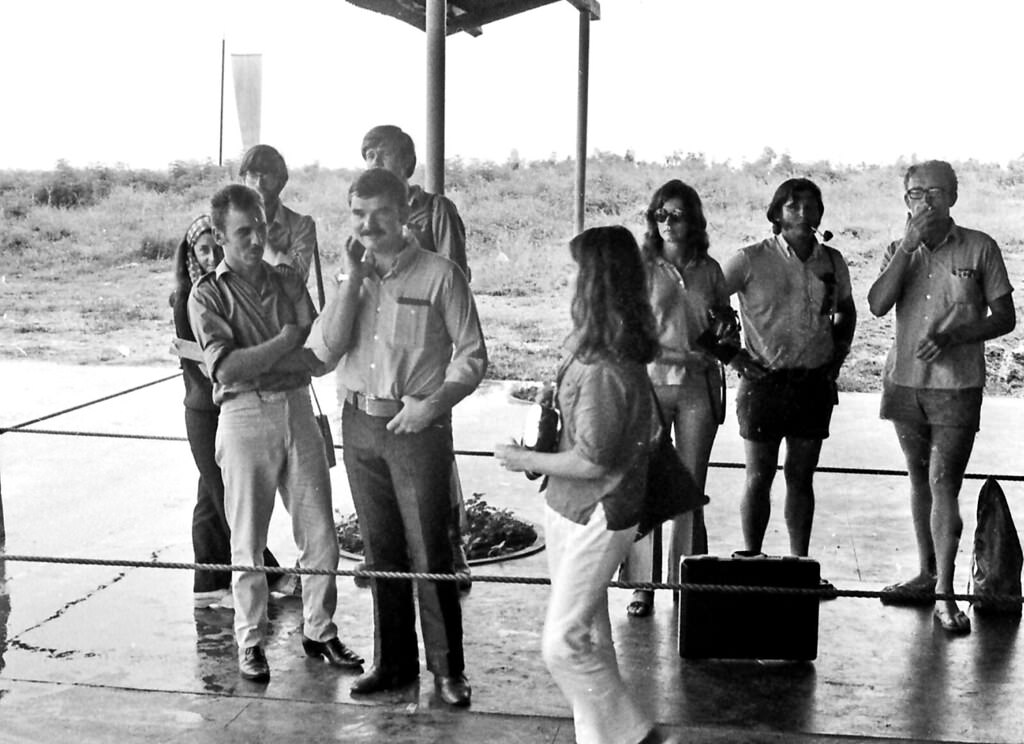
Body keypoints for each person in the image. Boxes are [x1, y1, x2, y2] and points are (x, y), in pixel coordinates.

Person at [307, 168, 487, 706]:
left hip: (417, 427)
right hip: (359, 423)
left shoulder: (440, 275)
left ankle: (447, 672)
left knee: (429, 550)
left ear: (406, 212)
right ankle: (393, 664)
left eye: (380, 213)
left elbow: (473, 355)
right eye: (358, 215)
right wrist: (350, 280)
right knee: (380, 551)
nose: (369, 225)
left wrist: (431, 405)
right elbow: (323, 353)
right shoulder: (349, 280)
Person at [494, 226, 678, 744]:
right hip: (570, 506)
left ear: (594, 280)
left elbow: (595, 461)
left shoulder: (603, 363)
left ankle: (636, 734)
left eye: (576, 270)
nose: (568, 278)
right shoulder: (594, 346)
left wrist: (523, 458)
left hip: (599, 509)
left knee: (563, 644)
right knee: (591, 639)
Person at [188, 184, 363, 682]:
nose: (254, 239)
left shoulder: (286, 279)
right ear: (220, 237)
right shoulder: (208, 294)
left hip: (296, 407)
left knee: (320, 533)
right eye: (243, 232)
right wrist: (283, 340)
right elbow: (225, 369)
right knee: (247, 541)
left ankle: (320, 631)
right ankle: (249, 641)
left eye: (260, 228)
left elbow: (317, 348)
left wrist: (268, 355)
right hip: (243, 417)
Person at [867, 160, 1015, 634]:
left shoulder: (981, 246)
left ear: (953, 196)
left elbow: (1005, 317)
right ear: (904, 201)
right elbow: (876, 304)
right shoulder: (898, 249)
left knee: (942, 481)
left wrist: (959, 335)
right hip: (905, 381)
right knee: (918, 477)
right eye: (915, 193)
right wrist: (907, 248)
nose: (925, 201)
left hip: (956, 385)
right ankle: (928, 574)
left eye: (935, 191)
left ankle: (945, 595)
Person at [722, 178, 856, 591]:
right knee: (758, 475)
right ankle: (753, 563)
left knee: (801, 475)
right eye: (792, 205)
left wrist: (836, 357)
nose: (802, 212)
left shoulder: (832, 261)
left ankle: (800, 568)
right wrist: (731, 353)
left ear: (820, 213)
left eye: (811, 205)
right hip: (763, 382)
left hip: (813, 382)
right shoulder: (748, 259)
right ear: (776, 212)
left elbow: (846, 311)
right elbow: (708, 302)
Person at [360, 124, 472, 585]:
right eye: (368, 157)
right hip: (383, 358)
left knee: (434, 459)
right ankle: (382, 554)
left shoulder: (435, 210)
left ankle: (452, 551)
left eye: (382, 157)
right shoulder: (367, 216)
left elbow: (454, 274)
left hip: (427, 352)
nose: (374, 165)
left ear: (406, 164)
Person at [620, 180, 733, 618]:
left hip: (696, 388)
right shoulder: (642, 268)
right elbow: (632, 336)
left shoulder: (710, 270)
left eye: (677, 215)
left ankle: (688, 582)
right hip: (649, 384)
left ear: (694, 220)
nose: (667, 223)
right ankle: (642, 587)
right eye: (660, 215)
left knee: (688, 487)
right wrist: (679, 353)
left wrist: (724, 340)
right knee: (646, 486)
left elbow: (723, 326)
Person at [170, 214, 282, 609]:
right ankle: (267, 570)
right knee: (225, 496)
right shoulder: (189, 297)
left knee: (210, 497)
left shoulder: (225, 290)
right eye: (202, 251)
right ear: (192, 256)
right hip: (207, 408)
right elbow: (200, 361)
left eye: (215, 248)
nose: (210, 256)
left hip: (224, 402)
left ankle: (207, 584)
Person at [239, 144, 325, 308]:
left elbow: (295, 280)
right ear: (243, 180)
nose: (259, 183)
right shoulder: (229, 224)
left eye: (267, 175)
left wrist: (258, 231)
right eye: (252, 175)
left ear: (280, 181)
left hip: (287, 315)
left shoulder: (301, 225)